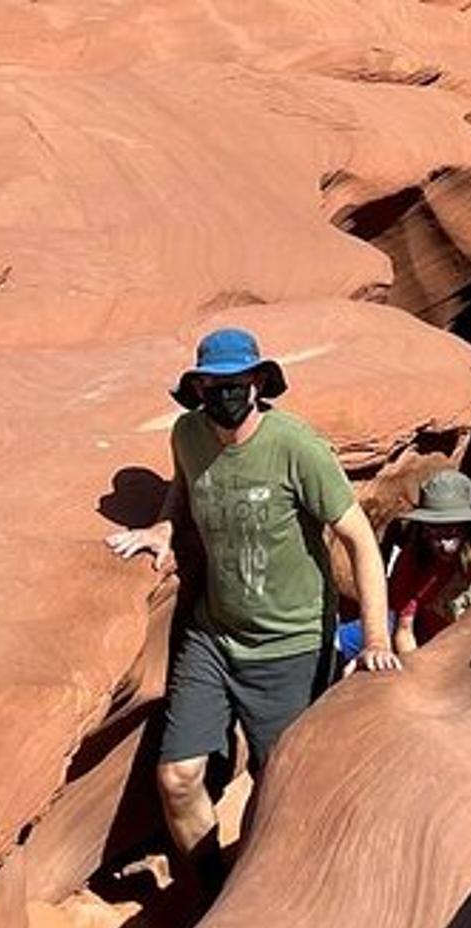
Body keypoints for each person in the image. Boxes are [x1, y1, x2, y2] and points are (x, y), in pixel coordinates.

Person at [108, 327, 400, 898]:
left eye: (238, 384)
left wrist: (375, 640)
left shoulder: (297, 448)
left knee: (281, 787)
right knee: (177, 778)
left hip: (289, 646)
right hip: (214, 637)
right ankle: (213, 895)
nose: (227, 396)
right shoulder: (188, 434)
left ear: (260, 383)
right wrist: (167, 523)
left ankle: (270, 896)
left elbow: (360, 540)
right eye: (215, 386)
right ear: (198, 390)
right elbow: (183, 485)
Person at [373, 468, 471, 659]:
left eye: (451, 532)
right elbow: (404, 629)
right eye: (434, 533)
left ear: (469, 525)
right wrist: (416, 670)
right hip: (436, 656)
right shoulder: (413, 557)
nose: (444, 544)